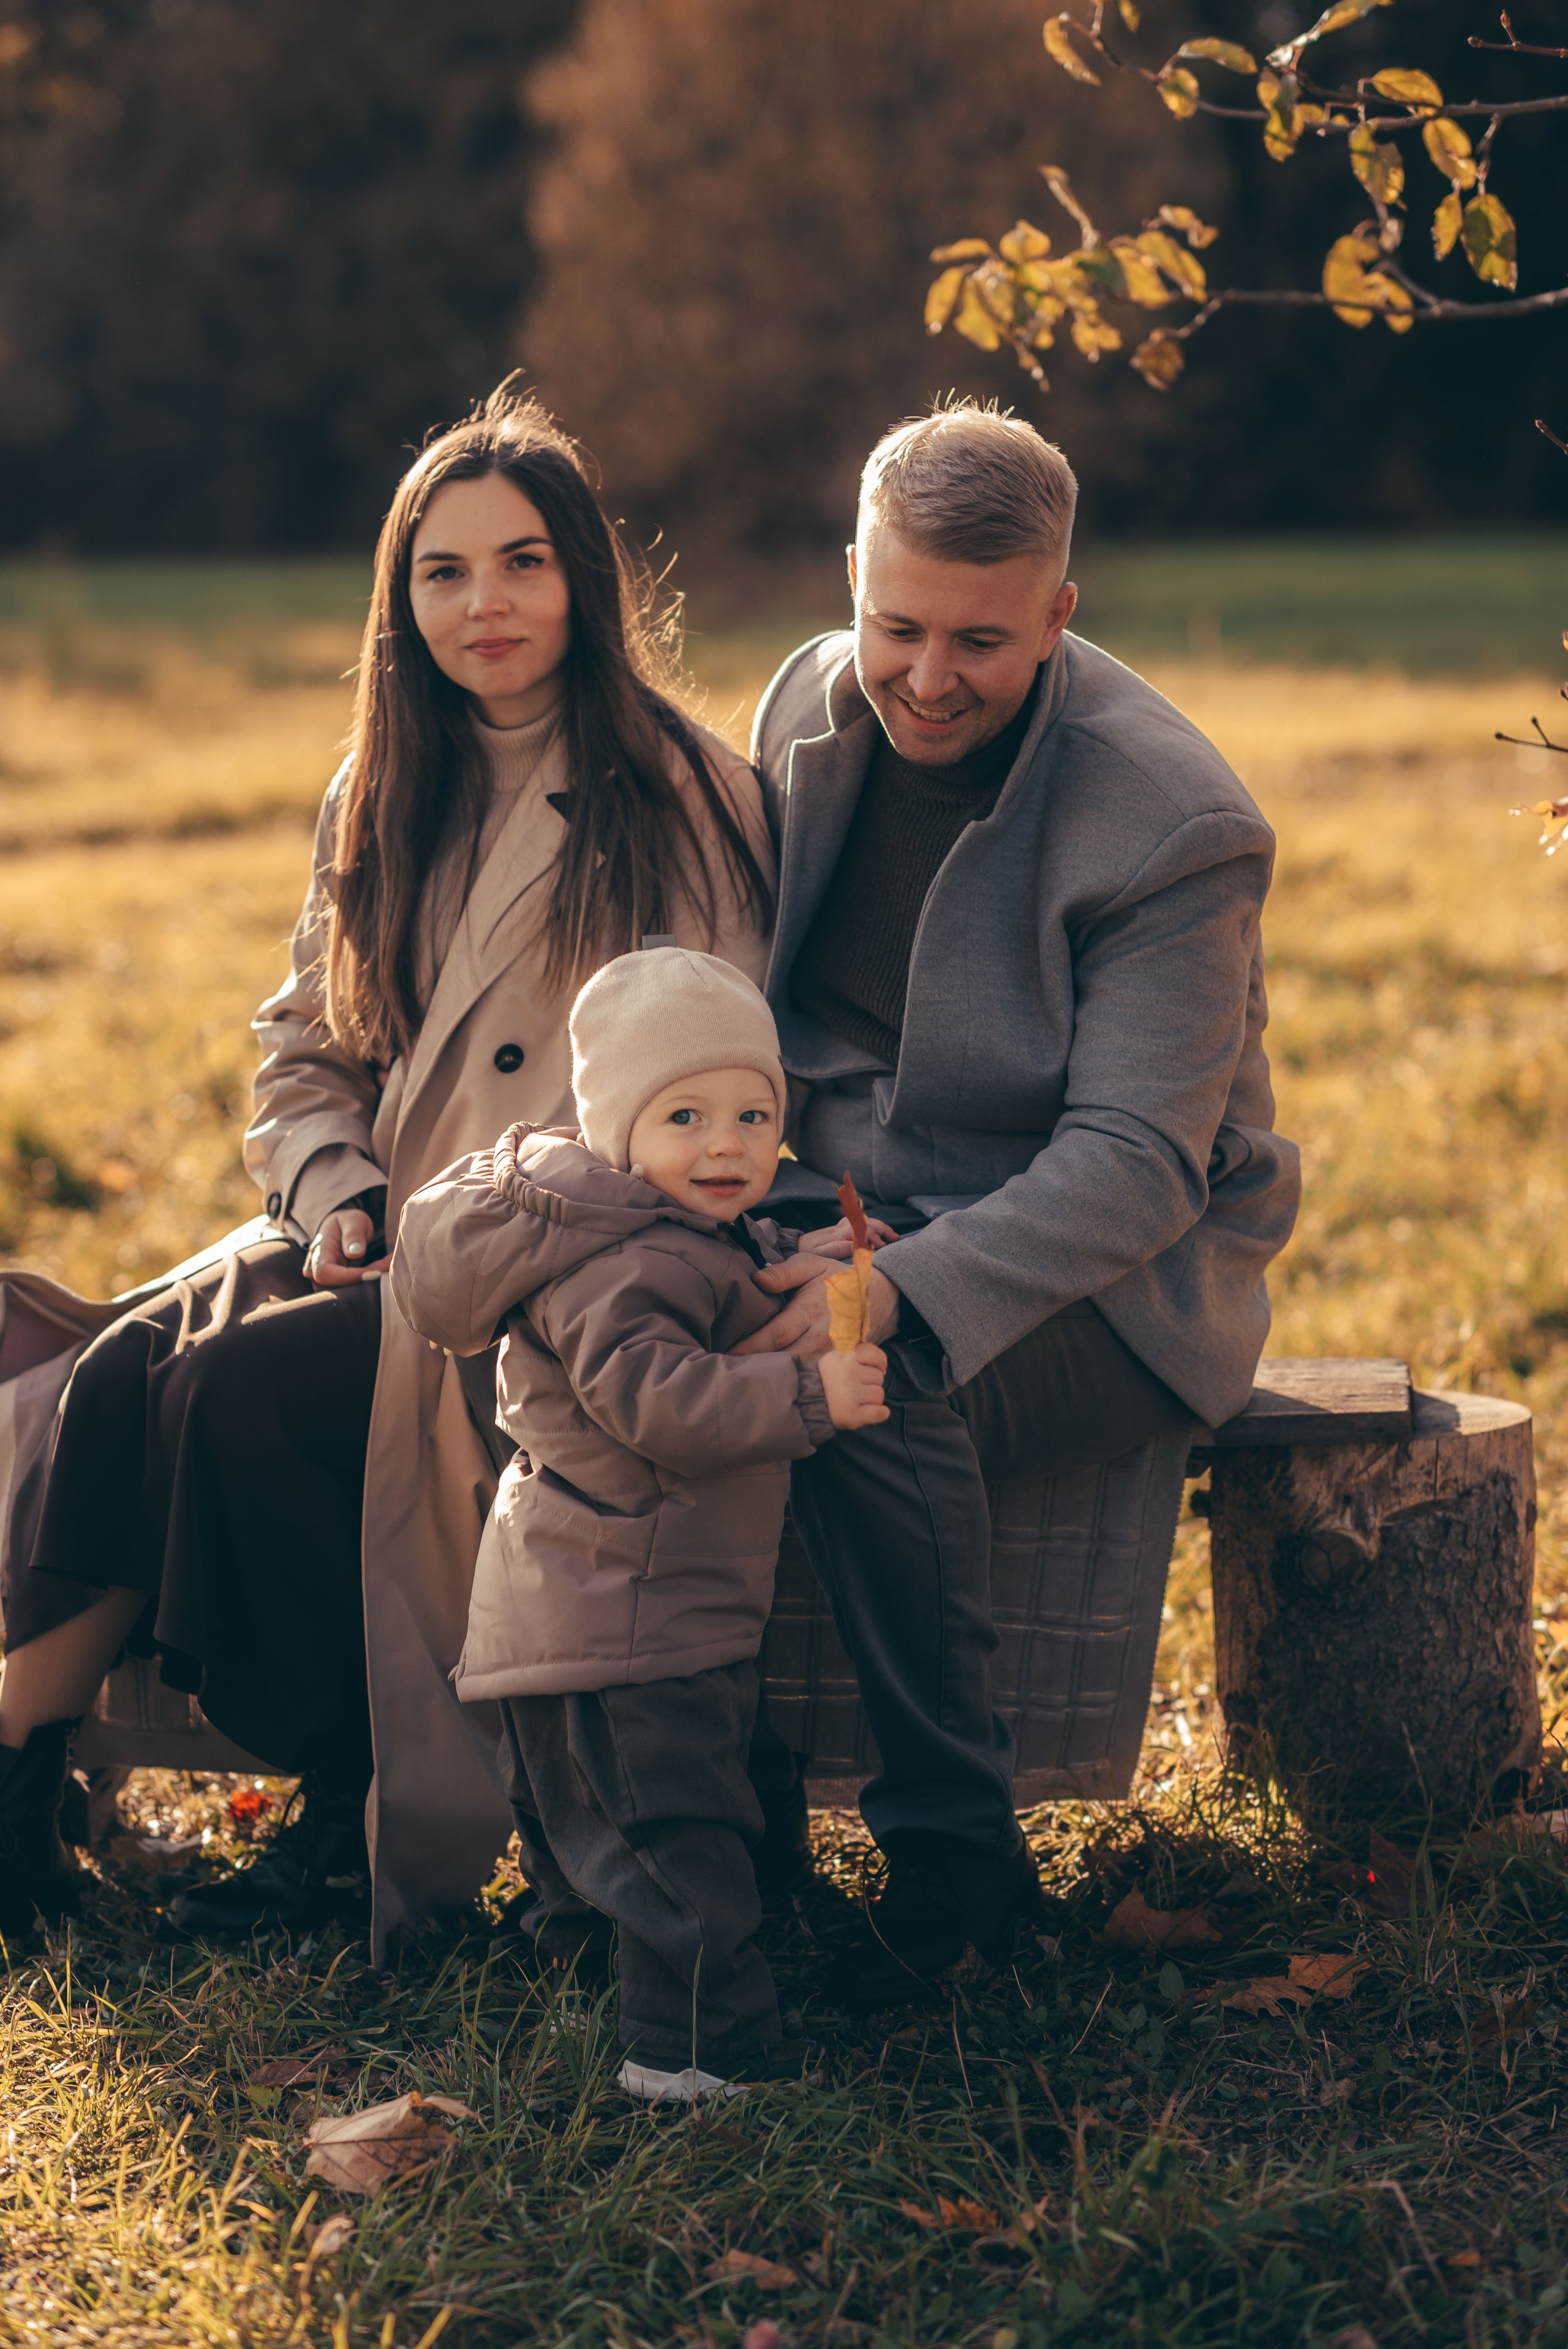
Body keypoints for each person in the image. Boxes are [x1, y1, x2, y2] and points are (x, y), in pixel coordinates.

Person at [0, 384, 775, 1951]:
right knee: (122, 1365)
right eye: (443, 571)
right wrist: (336, 1192)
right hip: (372, 1222)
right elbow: (303, 1046)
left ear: (585, 583)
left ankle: (341, 1835)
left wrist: (448, 1233)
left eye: (523, 562)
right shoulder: (380, 785)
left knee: (246, 1396)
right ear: (399, 599)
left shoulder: (678, 794)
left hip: (557, 1256)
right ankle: (19, 1783)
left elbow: (695, 1095)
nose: (483, 603)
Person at [732, 401, 1301, 2008]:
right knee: (650, 1334)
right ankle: (723, 1826)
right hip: (834, 1194)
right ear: (852, 577)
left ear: (1059, 610)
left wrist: (898, 1282)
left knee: (859, 1379)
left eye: (979, 640)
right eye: (894, 623)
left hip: (1113, 1281)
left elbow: (1136, 1167)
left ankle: (957, 1870)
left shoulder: (1170, 816)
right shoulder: (803, 693)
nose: (924, 675)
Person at [392, 948, 886, 2100]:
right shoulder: (617, 1268)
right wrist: (816, 1395)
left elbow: (713, 1280)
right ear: (618, 1132)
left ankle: (588, 1978)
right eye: (687, 1116)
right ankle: (699, 2057)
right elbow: (659, 1403)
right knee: (669, 1835)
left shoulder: (656, 1227)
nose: (728, 1144)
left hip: (610, 1598)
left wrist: (802, 1253)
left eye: (755, 1114)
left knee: (610, 1826)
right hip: (620, 1612)